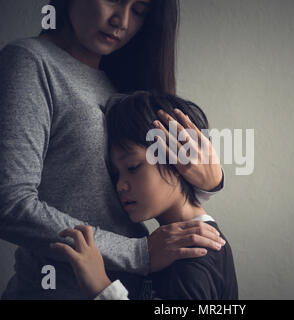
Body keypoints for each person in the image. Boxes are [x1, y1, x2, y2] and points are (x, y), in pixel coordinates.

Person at [0, 0, 225, 300]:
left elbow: (146, 175)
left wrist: (209, 181)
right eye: (114, 0)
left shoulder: (118, 79)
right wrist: (139, 253)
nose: (122, 20)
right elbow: (9, 203)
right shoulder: (31, 62)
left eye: (140, 11)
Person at [50, 91, 238, 300]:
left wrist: (102, 289)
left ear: (178, 158)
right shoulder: (172, 247)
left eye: (133, 167)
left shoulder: (194, 254)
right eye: (115, 174)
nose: (120, 185)